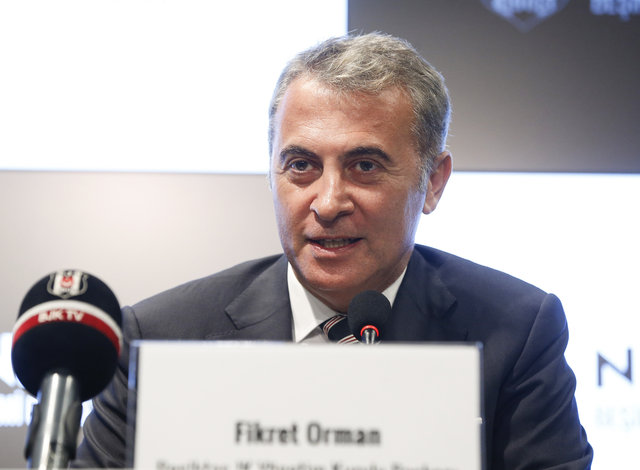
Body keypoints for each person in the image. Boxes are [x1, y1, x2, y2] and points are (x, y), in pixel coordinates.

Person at [73, 33, 593, 469]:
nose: (327, 203)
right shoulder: (158, 338)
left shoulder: (517, 331)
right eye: (301, 165)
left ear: (433, 182)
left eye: (364, 166)